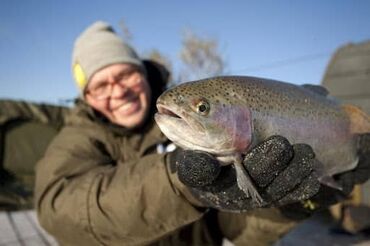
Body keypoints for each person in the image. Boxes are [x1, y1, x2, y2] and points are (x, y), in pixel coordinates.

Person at [34, 21, 370, 246]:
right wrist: (182, 183)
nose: (118, 91)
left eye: (125, 75)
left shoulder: (178, 124)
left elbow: (235, 230)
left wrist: (290, 206)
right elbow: (61, 212)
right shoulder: (76, 139)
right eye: (101, 85)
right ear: (86, 97)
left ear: (142, 73)